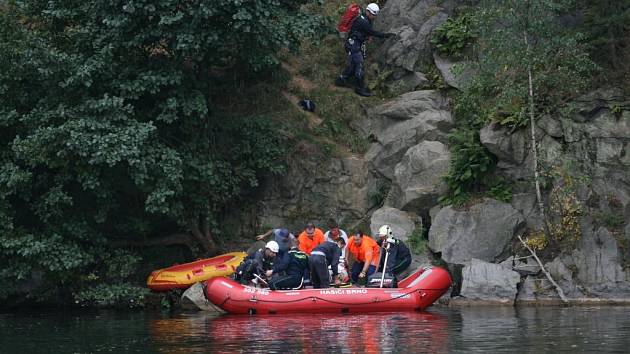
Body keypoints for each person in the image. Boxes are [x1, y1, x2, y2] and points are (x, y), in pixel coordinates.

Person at [335, 3, 395, 97]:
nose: (374, 17)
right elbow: (372, 32)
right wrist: (385, 35)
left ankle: (341, 80)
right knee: (359, 64)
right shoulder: (363, 21)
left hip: (353, 43)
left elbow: (363, 31)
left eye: (375, 15)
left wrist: (366, 37)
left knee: (352, 65)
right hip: (353, 44)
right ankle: (359, 88)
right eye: (373, 15)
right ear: (367, 12)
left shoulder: (364, 19)